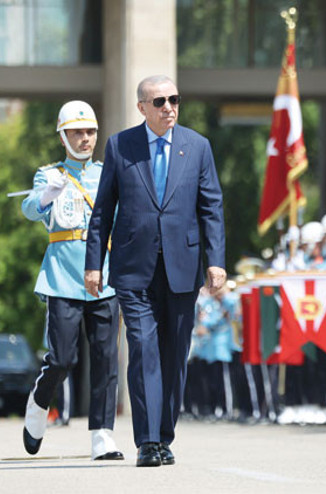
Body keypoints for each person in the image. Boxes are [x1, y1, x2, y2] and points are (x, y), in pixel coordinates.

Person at [84, 75, 226, 467]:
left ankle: (164, 436)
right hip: (133, 268)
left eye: (174, 100)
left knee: (175, 354)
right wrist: (93, 264)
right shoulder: (120, 145)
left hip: (183, 266)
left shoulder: (198, 146)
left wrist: (216, 260)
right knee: (143, 348)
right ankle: (147, 441)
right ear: (142, 107)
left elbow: (211, 207)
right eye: (159, 101)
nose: (168, 108)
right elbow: (103, 211)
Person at [20, 100, 124, 461]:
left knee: (106, 357)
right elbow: (28, 208)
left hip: (104, 277)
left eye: (90, 131)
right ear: (62, 137)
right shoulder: (48, 174)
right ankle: (38, 404)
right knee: (62, 358)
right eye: (77, 132)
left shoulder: (108, 172)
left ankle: (102, 435)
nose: (85, 138)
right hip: (63, 277)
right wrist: (47, 194)